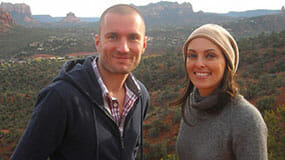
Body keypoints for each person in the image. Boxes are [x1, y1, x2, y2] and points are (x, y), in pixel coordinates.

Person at [11, 4, 149, 160]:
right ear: (98, 42)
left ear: (144, 44)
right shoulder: (61, 97)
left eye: (133, 38)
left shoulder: (140, 96)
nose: (123, 48)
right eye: (113, 37)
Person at [172, 24, 268, 160]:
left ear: (227, 63)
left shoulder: (246, 119)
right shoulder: (191, 105)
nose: (199, 63)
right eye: (192, 55)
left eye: (210, 56)